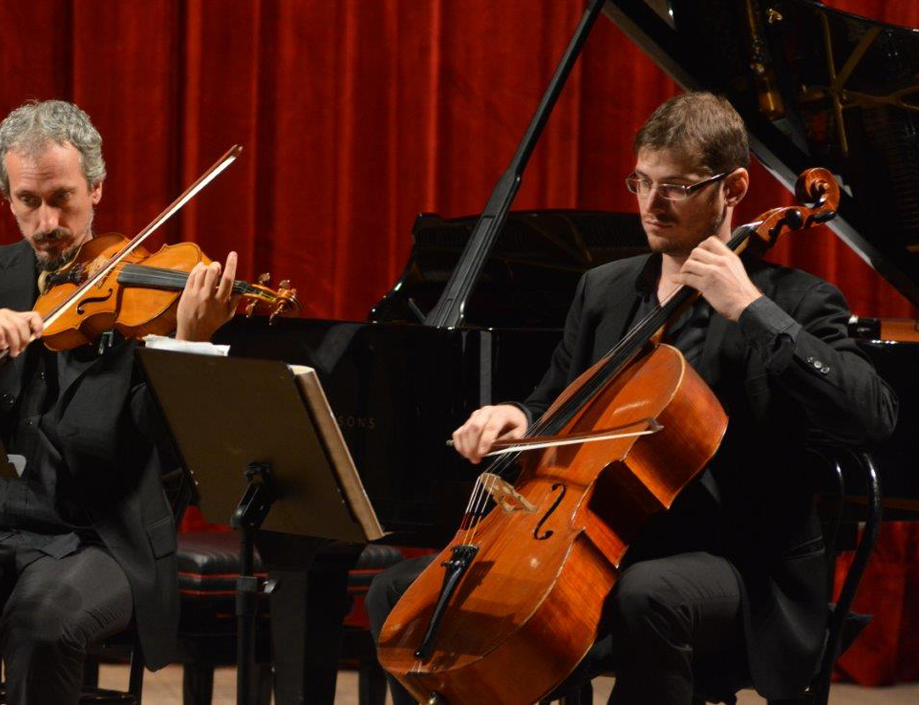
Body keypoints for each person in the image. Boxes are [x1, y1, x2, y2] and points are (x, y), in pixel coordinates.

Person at [366, 92, 897, 704]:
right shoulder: (605, 290)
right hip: (599, 541)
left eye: (676, 187)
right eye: (642, 182)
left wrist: (750, 309)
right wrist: (515, 415)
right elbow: (553, 403)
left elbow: (873, 414)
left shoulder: (795, 301)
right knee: (399, 596)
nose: (651, 204)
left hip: (739, 559)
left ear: (733, 188)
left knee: (646, 595)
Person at [0, 100, 240, 705]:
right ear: (8, 199)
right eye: (29, 201)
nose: (47, 222)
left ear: (95, 189)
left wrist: (189, 345)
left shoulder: (143, 302)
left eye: (63, 198)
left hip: (97, 537)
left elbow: (171, 448)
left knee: (42, 627)